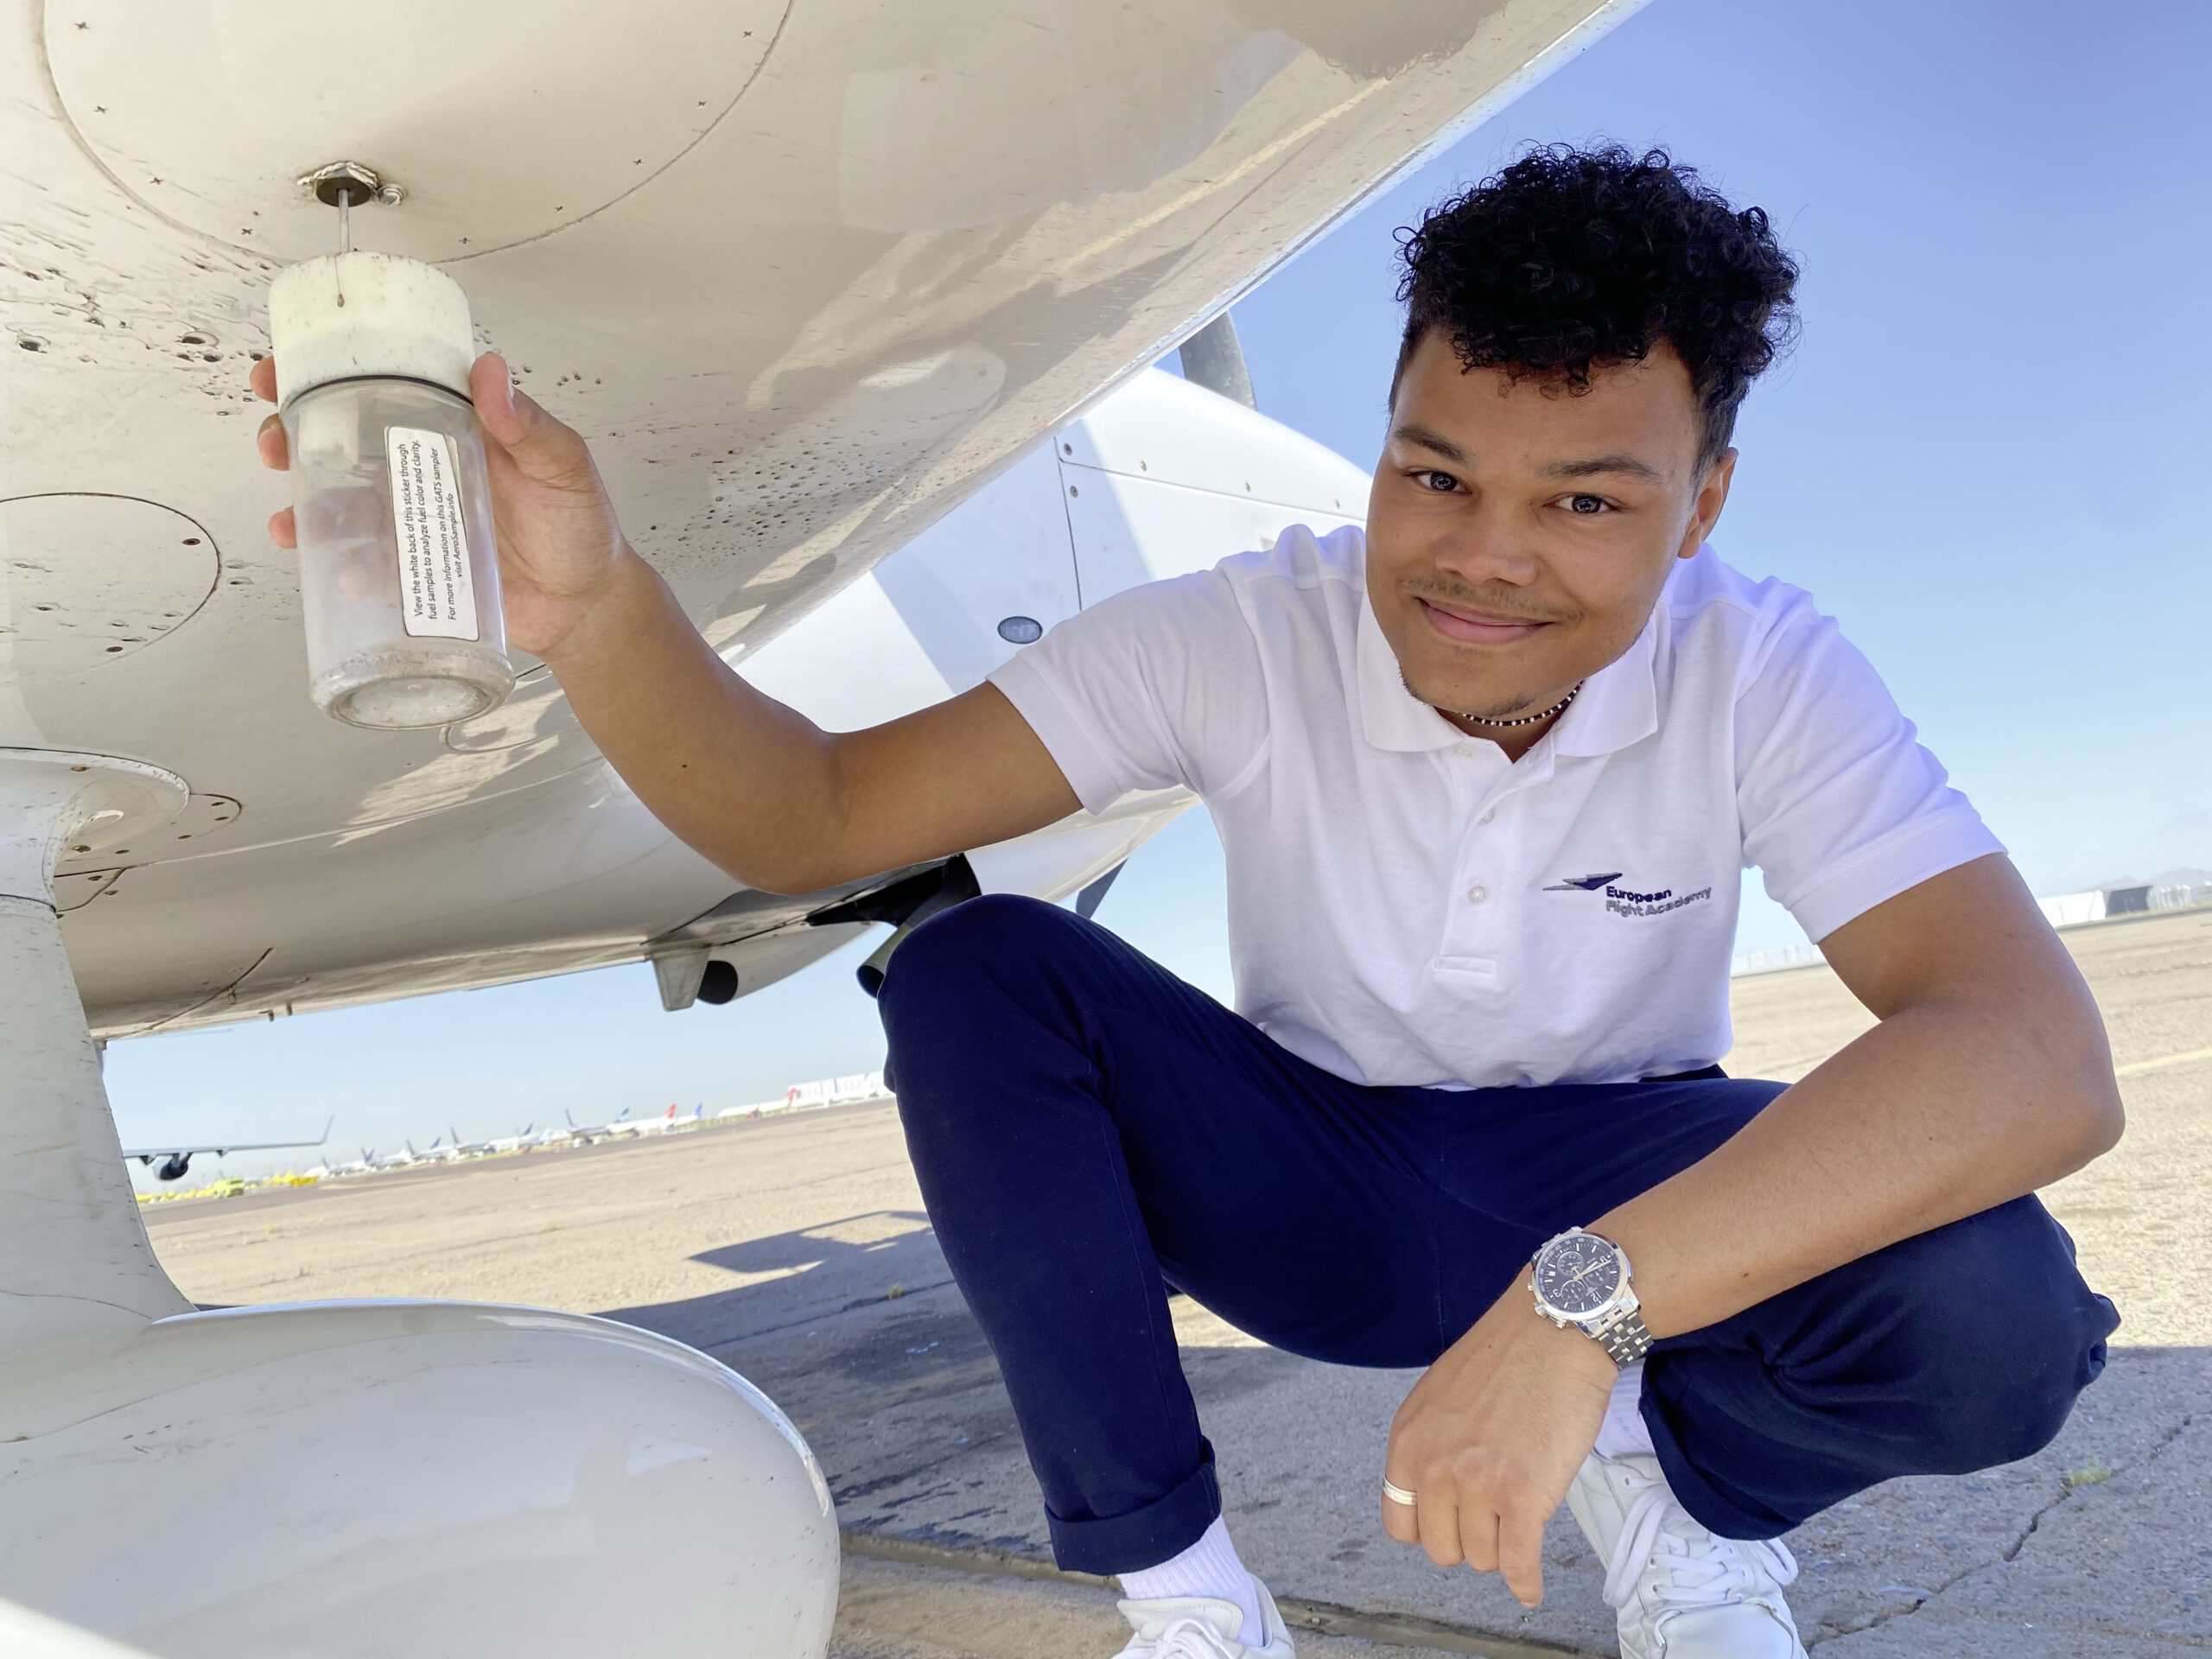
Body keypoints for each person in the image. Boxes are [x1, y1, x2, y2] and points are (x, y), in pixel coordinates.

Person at [253, 144, 2122, 1659]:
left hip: (1615, 1175)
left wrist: (1579, 1312)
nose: (1479, 556)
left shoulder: (1760, 665)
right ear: (1380, 437)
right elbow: (820, 811)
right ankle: (1190, 1606)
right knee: (975, 962)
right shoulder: (1247, 628)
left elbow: (2032, 1056)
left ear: (1699, 504)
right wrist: (592, 612)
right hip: (1317, 1180)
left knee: (1995, 1313)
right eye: (1432, 472)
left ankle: (1686, 1502)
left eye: (1582, 505)